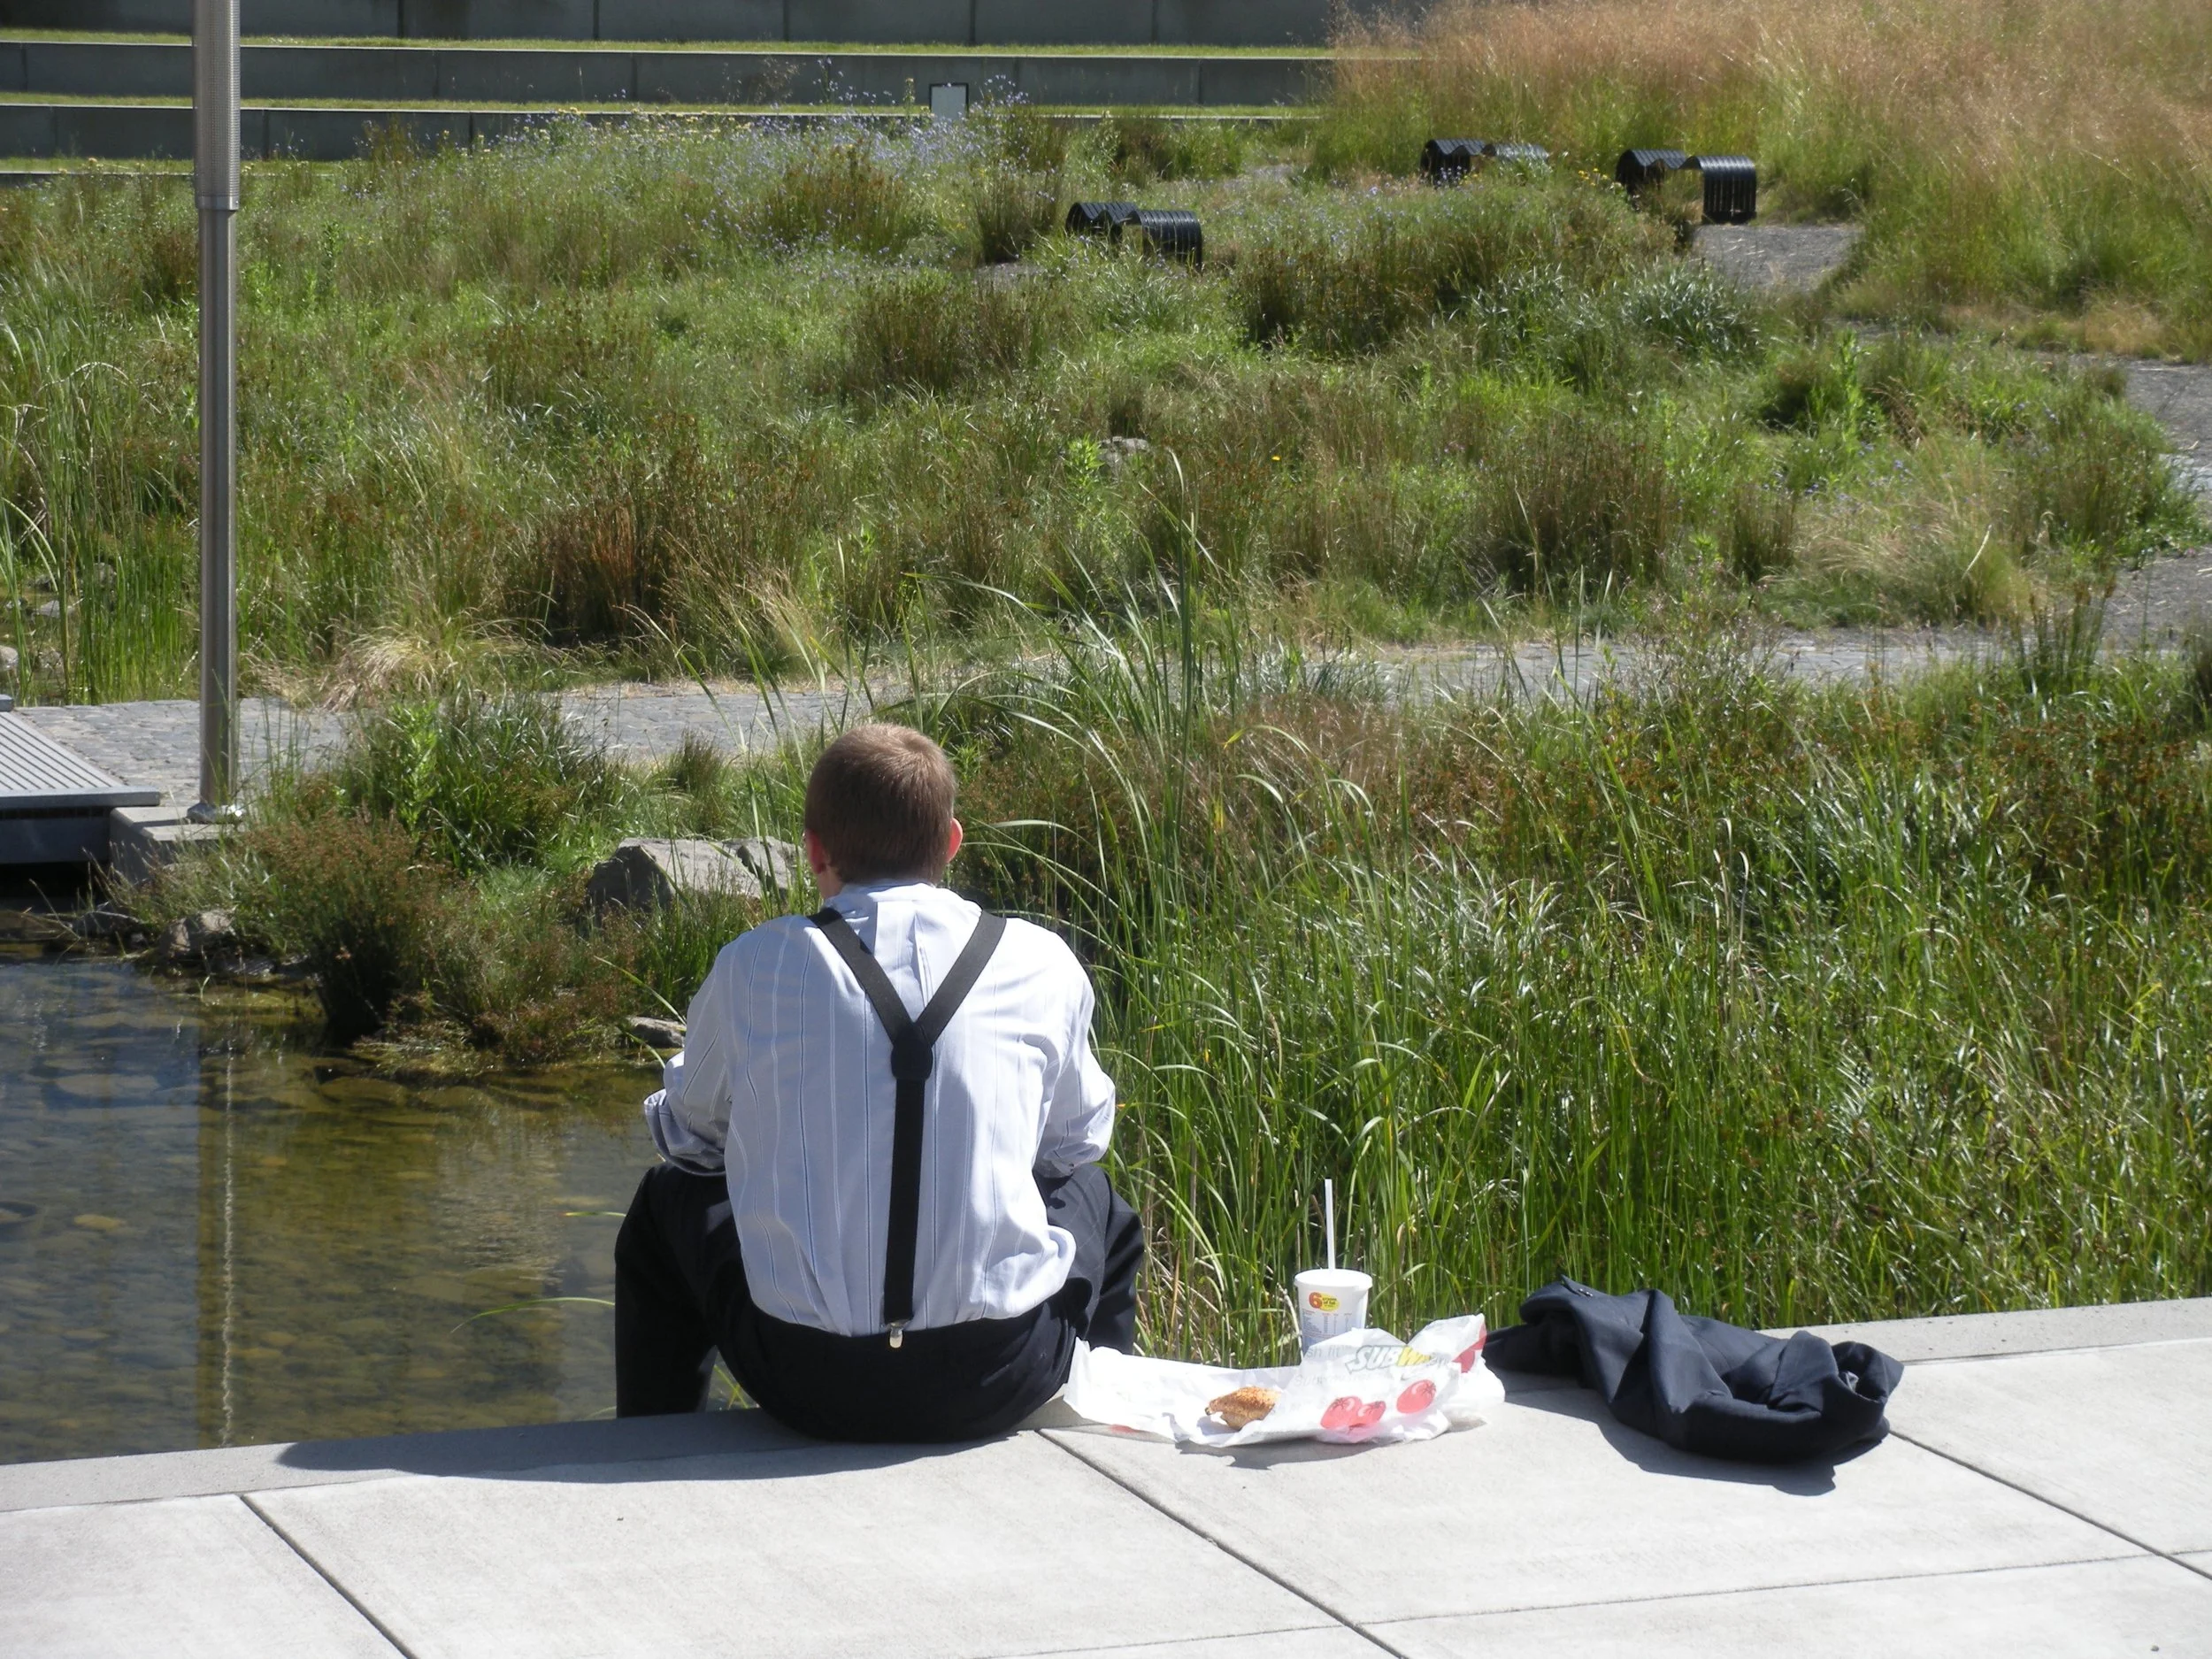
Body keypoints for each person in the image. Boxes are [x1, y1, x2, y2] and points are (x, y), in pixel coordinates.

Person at [614, 722, 1142, 1441]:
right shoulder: (1042, 962)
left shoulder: (752, 965)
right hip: (998, 1376)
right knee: (1101, 1202)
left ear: (813, 850)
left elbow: (688, 1140)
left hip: (803, 1378)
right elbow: (1076, 1146)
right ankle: (1111, 1422)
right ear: (952, 841)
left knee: (665, 1201)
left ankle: (650, 1443)